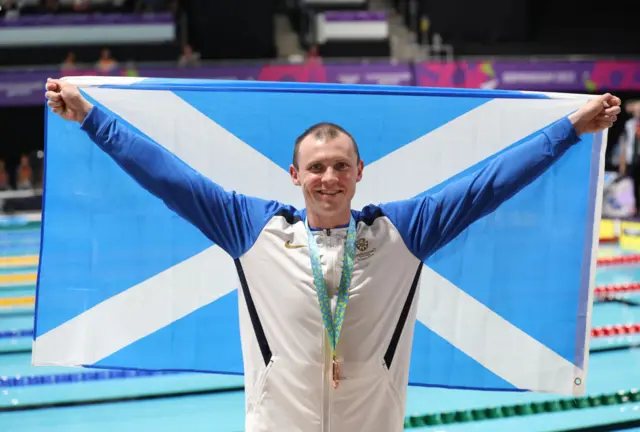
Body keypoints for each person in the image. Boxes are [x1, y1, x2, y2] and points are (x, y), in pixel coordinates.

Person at [44, 78, 620, 432]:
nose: (328, 177)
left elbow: (486, 185)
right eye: (316, 167)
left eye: (341, 165)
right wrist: (94, 119)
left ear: (359, 173)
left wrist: (568, 129)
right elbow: (169, 175)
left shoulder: (403, 231)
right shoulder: (250, 229)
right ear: (295, 175)